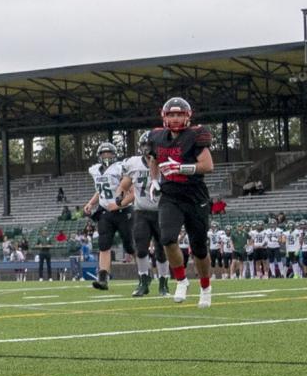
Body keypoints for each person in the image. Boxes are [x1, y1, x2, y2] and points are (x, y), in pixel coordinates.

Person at [146, 97, 214, 307]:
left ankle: (205, 287)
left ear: (188, 116)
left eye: (179, 114)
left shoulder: (195, 135)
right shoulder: (156, 136)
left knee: (199, 247)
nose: (175, 118)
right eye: (171, 114)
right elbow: (153, 158)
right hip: (170, 195)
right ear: (164, 116)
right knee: (166, 239)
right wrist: (155, 180)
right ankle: (182, 280)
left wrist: (183, 168)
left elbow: (208, 165)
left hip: (195, 196)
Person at [83, 142, 135, 291]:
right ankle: (103, 278)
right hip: (105, 212)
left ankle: (144, 273)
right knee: (104, 245)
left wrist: (118, 205)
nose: (106, 157)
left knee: (130, 246)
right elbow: (101, 190)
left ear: (114, 155)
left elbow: (133, 193)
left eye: (109, 154)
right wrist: (91, 203)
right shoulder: (95, 171)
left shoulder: (119, 169)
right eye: (103, 154)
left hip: (123, 211)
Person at [123, 132, 169, 296]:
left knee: (162, 250)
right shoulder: (133, 163)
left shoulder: (164, 162)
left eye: (150, 146)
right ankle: (143, 281)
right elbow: (125, 182)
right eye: (145, 146)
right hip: (141, 211)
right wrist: (120, 193)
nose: (147, 149)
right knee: (141, 249)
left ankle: (164, 283)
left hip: (161, 211)